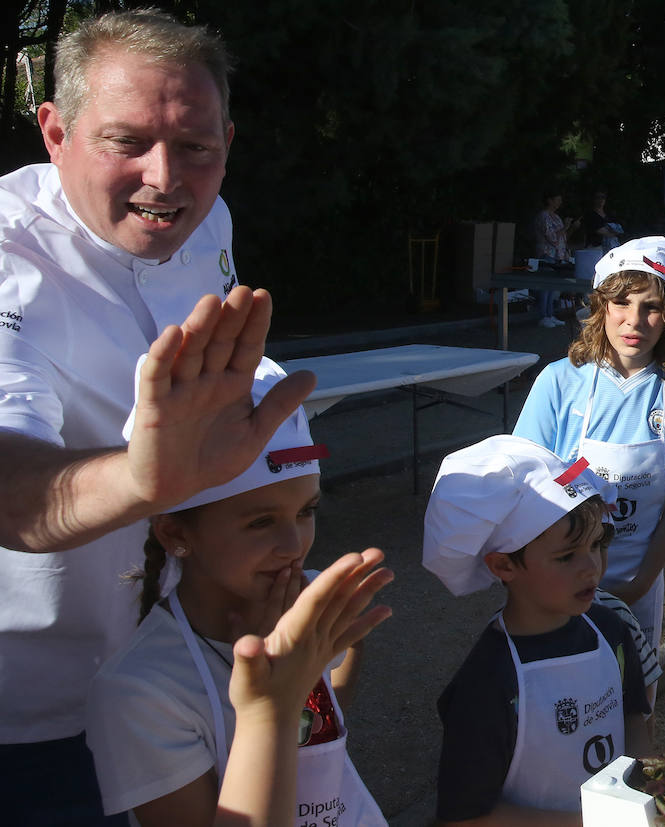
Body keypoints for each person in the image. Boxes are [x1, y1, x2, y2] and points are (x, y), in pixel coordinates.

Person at [0, 12, 320, 823]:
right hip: (32, 704)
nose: (165, 176)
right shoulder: (7, 261)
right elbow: (8, 483)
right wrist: (145, 480)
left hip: (178, 662)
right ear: (55, 131)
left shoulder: (209, 221)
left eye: (196, 148)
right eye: (126, 141)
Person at [86, 359, 391, 826]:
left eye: (306, 511)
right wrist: (276, 704)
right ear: (173, 533)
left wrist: (314, 680)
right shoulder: (141, 694)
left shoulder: (302, 600)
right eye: (260, 522)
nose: (294, 547)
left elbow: (347, 648)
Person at [513, 238, 665, 696]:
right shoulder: (560, 383)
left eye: (652, 307)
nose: (634, 321)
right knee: (559, 693)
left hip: (638, 576)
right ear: (601, 307)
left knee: (628, 693)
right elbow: (525, 483)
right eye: (621, 303)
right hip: (555, 575)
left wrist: (640, 583)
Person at [423, 436, 652, 823]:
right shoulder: (488, 681)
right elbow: (465, 817)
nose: (592, 568)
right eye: (566, 556)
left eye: (597, 545)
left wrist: (642, 790)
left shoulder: (611, 627)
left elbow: (634, 718)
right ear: (503, 566)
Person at [533, 192, 575, 327]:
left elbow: (562, 237)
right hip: (547, 253)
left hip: (557, 255)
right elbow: (551, 237)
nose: (559, 203)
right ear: (549, 200)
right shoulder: (543, 216)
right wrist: (566, 227)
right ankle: (543, 315)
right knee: (545, 285)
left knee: (552, 286)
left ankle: (550, 314)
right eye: (557, 199)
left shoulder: (556, 217)